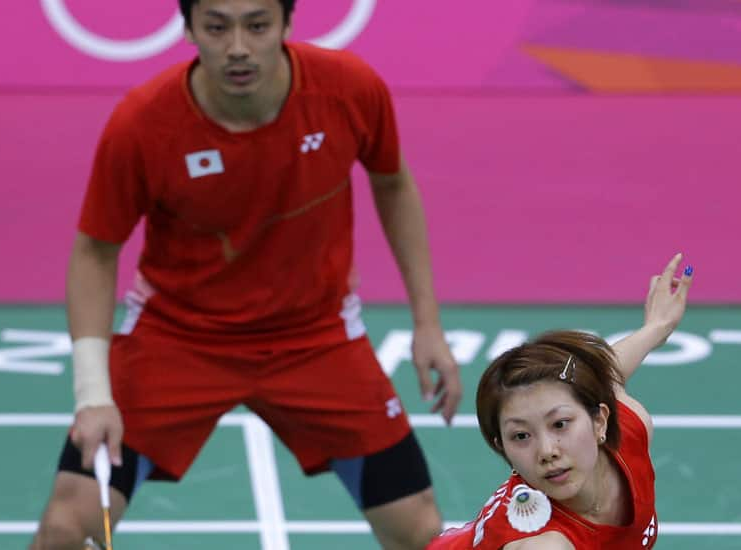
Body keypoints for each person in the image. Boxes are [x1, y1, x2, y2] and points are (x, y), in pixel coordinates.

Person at [28, 0, 462, 549]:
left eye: (257, 25)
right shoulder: (143, 122)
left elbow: (393, 184)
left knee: (421, 531)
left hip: (316, 339)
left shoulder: (348, 89)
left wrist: (427, 324)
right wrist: (93, 393)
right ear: (187, 29)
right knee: (66, 528)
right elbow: (94, 252)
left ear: (287, 24)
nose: (237, 46)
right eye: (217, 26)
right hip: (177, 340)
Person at [426, 254, 693, 549]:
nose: (547, 451)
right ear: (501, 446)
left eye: (560, 424)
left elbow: (605, 372)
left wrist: (656, 328)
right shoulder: (544, 544)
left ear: (600, 420)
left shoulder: (631, 428)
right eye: (521, 436)